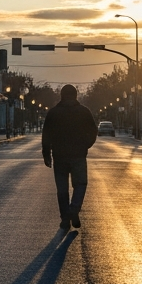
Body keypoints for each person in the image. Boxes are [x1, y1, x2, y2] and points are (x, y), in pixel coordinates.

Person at [41, 84, 97, 230]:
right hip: (78, 155)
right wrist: (85, 145)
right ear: (76, 95)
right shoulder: (84, 112)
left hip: (59, 155)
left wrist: (46, 154)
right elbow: (93, 131)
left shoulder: (53, 113)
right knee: (80, 184)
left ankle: (65, 218)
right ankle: (74, 210)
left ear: (61, 95)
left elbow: (46, 135)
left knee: (62, 189)